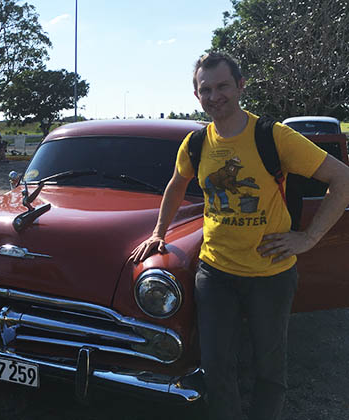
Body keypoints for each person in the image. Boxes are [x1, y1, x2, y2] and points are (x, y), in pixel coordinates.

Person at [131, 52, 349, 420]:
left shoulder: (273, 137)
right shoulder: (196, 144)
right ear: (196, 93)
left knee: (268, 372)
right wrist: (158, 232)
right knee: (217, 371)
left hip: (271, 276)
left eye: (222, 86)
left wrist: (308, 238)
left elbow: (342, 178)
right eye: (205, 89)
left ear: (240, 86)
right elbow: (176, 184)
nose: (214, 96)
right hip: (215, 275)